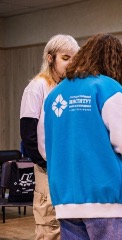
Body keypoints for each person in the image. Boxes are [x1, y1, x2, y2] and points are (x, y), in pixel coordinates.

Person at [38, 33, 122, 240]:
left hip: (66, 200)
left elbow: (45, 147)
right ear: (117, 62)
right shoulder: (109, 88)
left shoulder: (54, 95)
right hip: (108, 202)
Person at [20, 34, 79, 239]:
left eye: (74, 58)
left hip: (69, 169)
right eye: (65, 58)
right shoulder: (37, 87)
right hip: (47, 168)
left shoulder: (70, 89)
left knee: (68, 228)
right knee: (49, 226)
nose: (70, 63)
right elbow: (28, 133)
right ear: (50, 58)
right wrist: (45, 163)